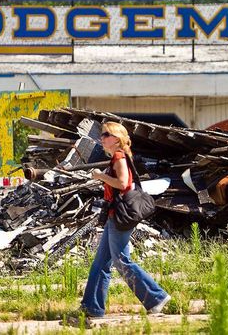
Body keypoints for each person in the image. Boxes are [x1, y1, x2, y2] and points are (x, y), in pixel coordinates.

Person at [80, 122, 171, 318]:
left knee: (121, 261)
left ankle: (156, 297)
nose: (102, 138)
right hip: (116, 216)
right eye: (102, 135)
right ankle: (92, 307)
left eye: (106, 135)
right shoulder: (118, 157)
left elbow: (123, 183)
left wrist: (101, 176)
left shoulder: (119, 157)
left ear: (117, 139)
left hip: (120, 216)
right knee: (100, 263)